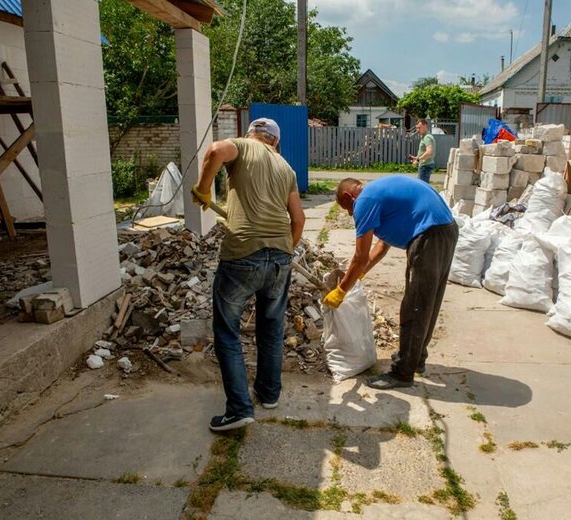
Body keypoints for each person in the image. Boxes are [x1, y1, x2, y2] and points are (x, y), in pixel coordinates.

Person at [192, 118, 306, 431]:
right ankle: (269, 394)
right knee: (271, 328)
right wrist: (282, 252)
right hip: (280, 258)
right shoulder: (286, 167)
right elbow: (299, 220)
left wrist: (204, 190)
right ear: (275, 142)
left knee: (227, 330)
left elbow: (215, 150)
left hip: (242, 253)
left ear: (251, 134)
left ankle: (239, 408)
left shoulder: (241, 146)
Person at [323, 175, 458, 389]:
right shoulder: (379, 193)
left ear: (349, 196)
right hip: (444, 230)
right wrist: (360, 274)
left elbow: (359, 256)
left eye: (347, 208)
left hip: (429, 236)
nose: (350, 214)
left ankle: (402, 373)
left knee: (414, 306)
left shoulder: (364, 201)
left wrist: (340, 291)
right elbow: (381, 246)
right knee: (427, 301)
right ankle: (416, 358)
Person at [409, 118, 436, 183]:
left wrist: (418, 160)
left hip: (425, 166)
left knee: (422, 187)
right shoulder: (424, 137)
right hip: (425, 165)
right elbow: (425, 152)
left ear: (425, 126)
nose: (417, 130)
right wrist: (416, 158)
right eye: (417, 128)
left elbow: (429, 152)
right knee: (422, 186)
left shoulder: (427, 137)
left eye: (419, 128)